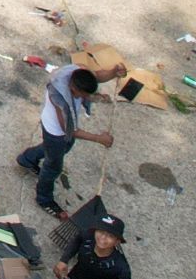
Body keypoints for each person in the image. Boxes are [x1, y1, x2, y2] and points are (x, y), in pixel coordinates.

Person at [17, 64, 120, 212]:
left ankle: (27, 159)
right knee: (53, 167)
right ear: (74, 89)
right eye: (83, 95)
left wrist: (113, 72)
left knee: (60, 148)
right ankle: (44, 199)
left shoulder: (76, 72)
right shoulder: (59, 98)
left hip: (58, 134)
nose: (85, 98)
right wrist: (98, 138)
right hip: (55, 133)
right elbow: (69, 130)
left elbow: (96, 76)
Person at [59, 213, 135, 279]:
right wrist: (64, 260)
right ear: (95, 231)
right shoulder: (88, 237)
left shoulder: (119, 264)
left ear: (117, 241)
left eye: (110, 236)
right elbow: (77, 240)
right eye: (101, 231)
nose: (103, 237)